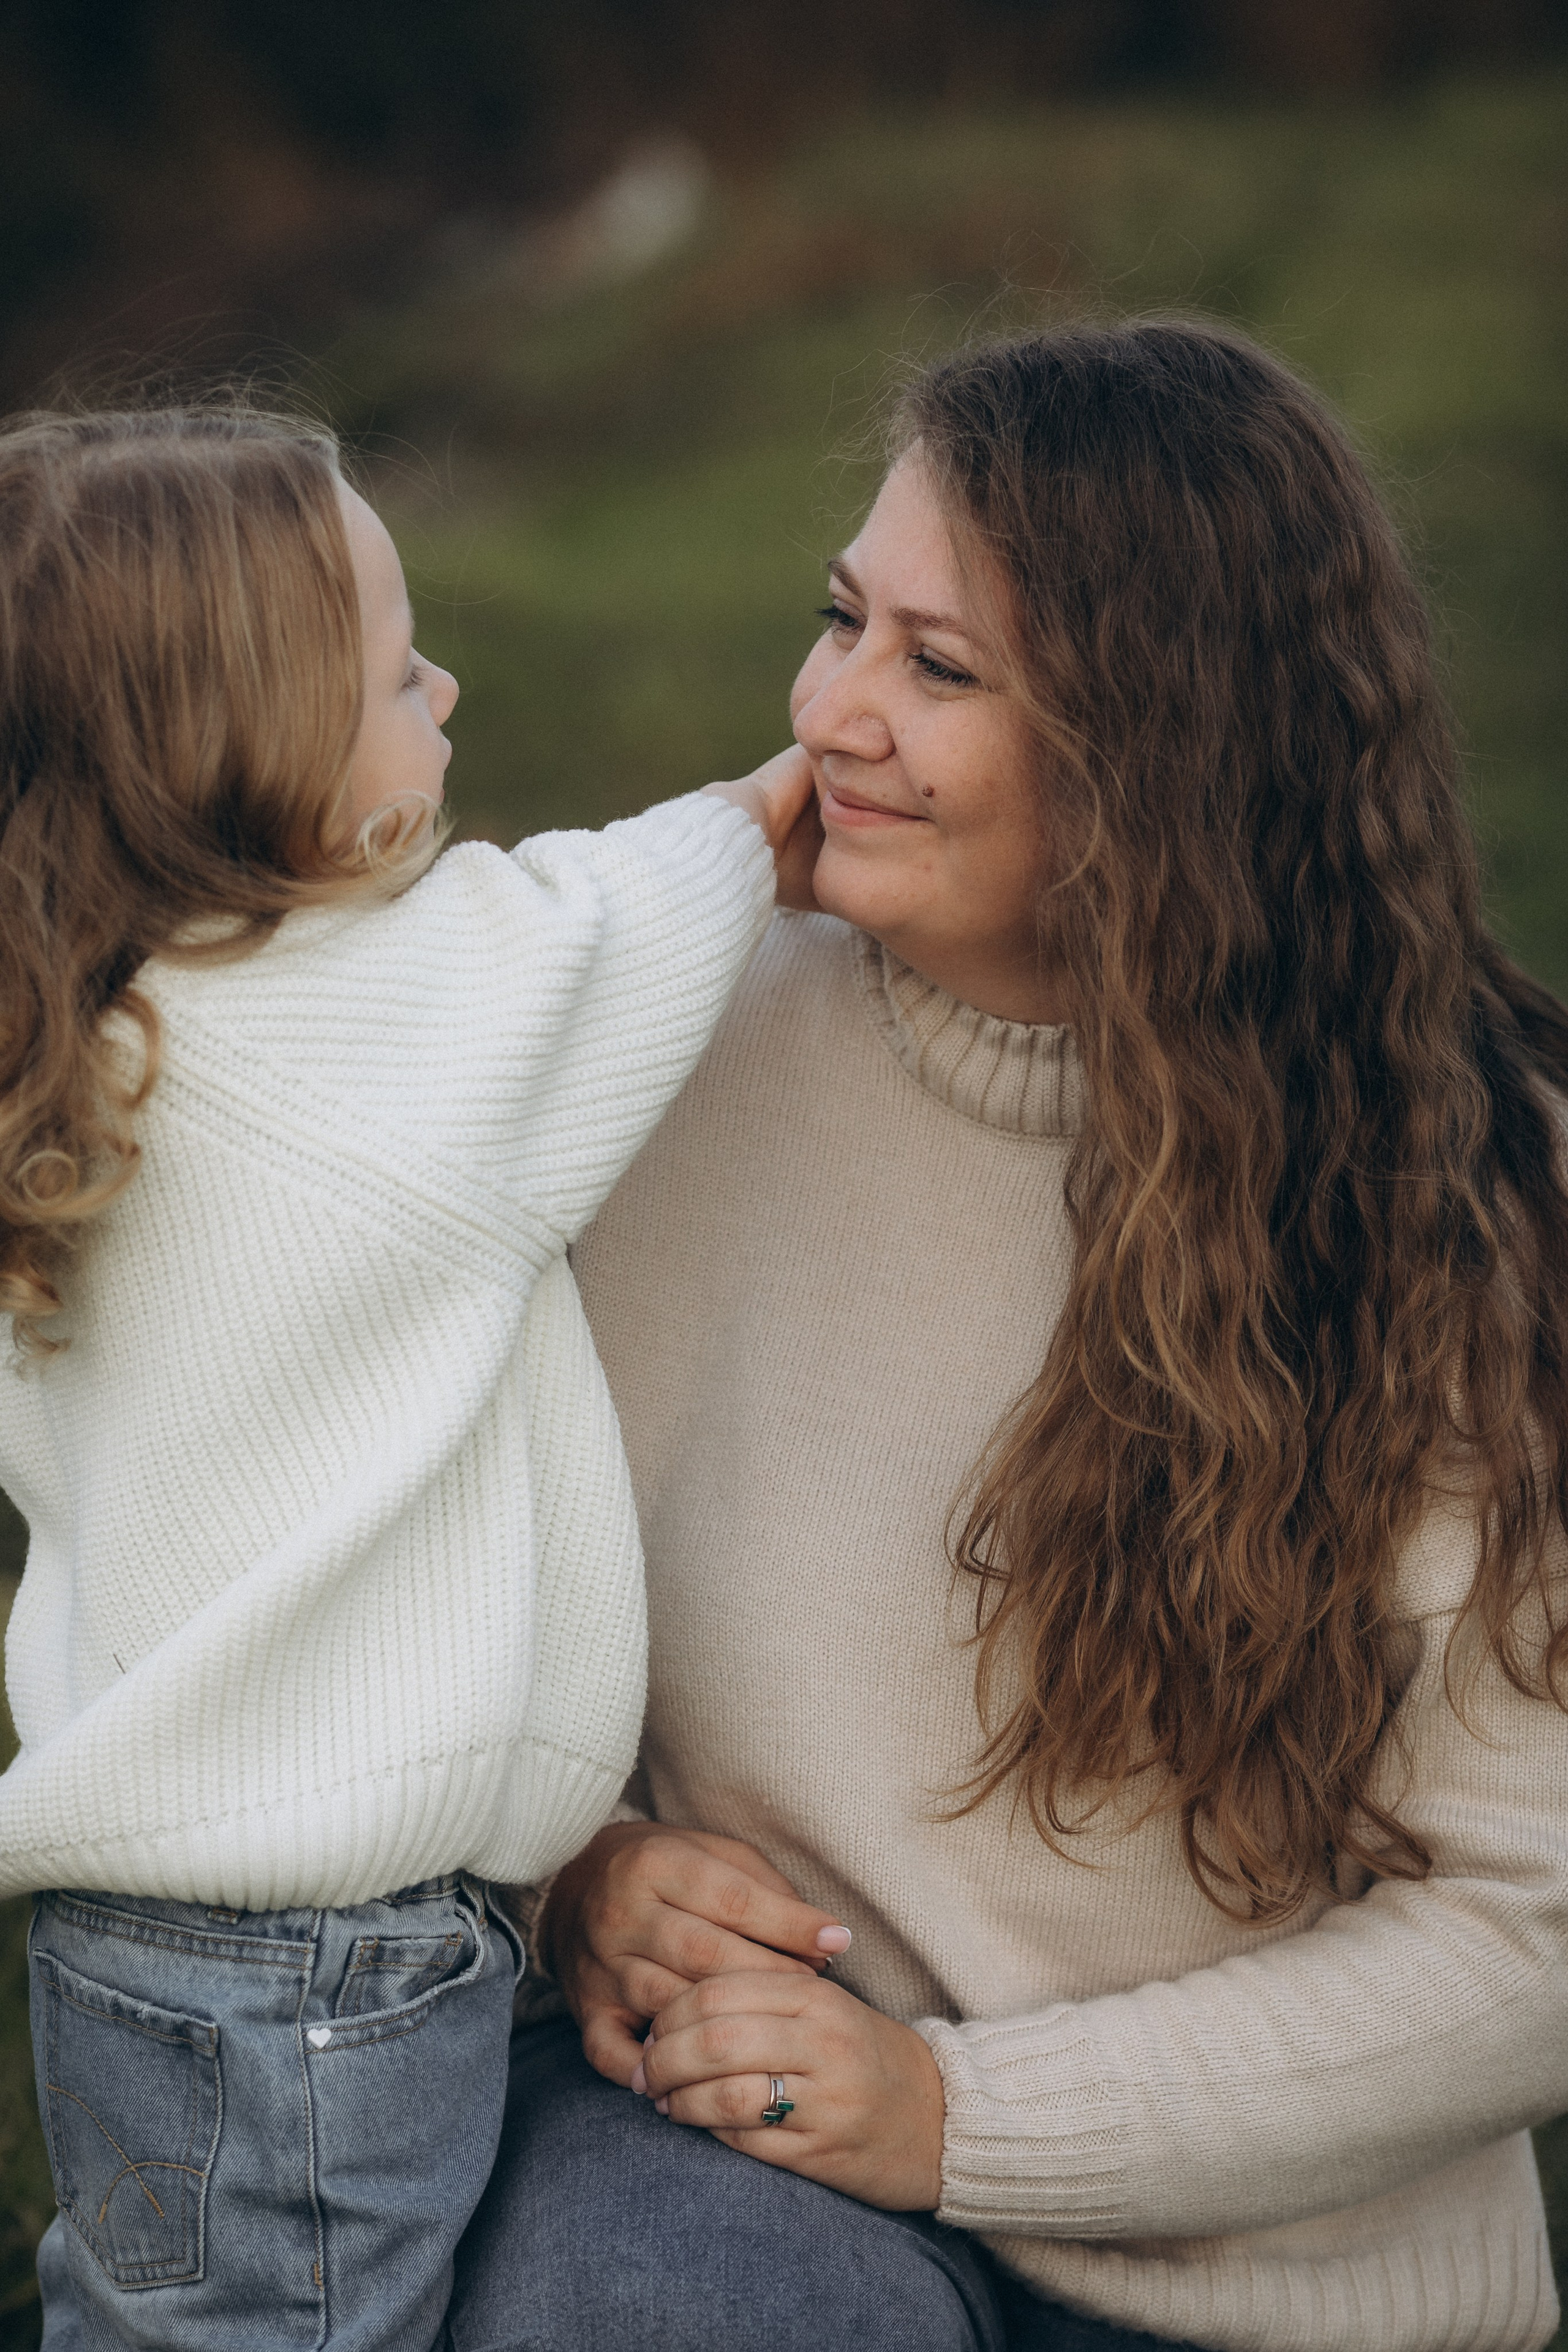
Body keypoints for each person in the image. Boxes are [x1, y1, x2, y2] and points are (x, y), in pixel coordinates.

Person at [443, 320, 1568, 2352]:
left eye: (940, 670)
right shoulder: (650, 1038)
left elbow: (1531, 1929)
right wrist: (574, 1882)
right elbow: (414, 1617)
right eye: (842, 622)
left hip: (1282, 2263)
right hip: (732, 2164)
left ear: (1170, 757)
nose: (830, 713)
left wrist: (964, 2117)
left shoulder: (1474, 1198)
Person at [0, 404, 821, 2351]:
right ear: (253, 756)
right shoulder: (373, 1040)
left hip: (142, 1943)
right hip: (314, 1977)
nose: (443, 687)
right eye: (392, 673)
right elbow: (600, 937)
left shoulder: (91, 1032)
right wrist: (761, 814)